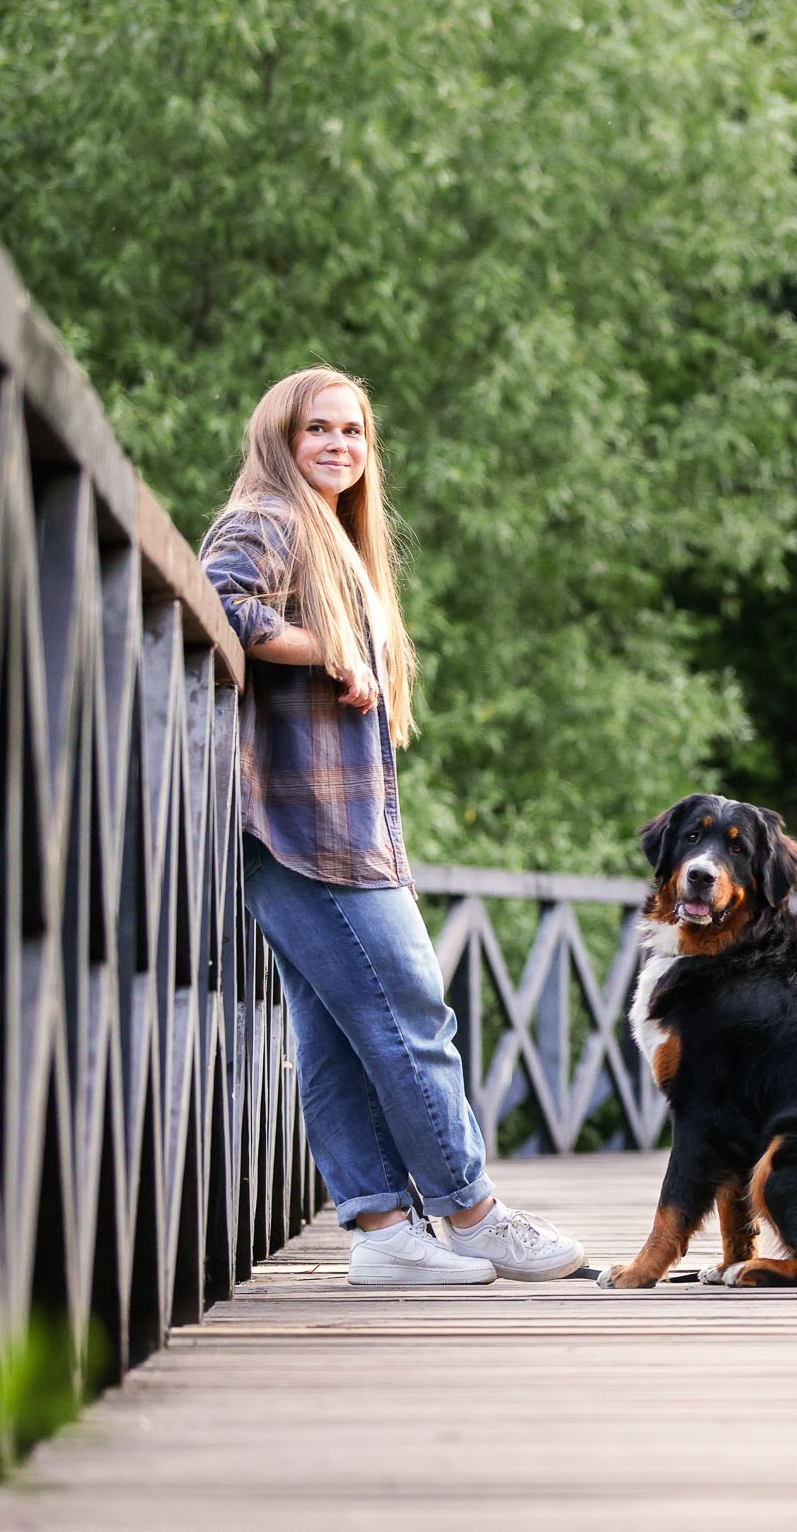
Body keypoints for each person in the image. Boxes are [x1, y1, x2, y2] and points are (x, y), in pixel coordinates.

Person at [201, 367, 585, 1286]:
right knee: (414, 1014)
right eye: (317, 428)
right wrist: (325, 646)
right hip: (301, 827)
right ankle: (472, 1212)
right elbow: (217, 604)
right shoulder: (269, 518)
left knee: (337, 1031)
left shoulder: (332, 536)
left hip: (336, 826)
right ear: (280, 437)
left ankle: (381, 1229)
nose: (338, 444)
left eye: (353, 431)